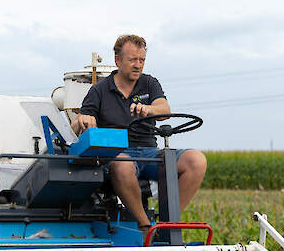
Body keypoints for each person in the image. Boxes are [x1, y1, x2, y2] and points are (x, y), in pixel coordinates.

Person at [71, 35, 207, 230]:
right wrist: (84, 120)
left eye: (141, 60)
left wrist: (149, 109)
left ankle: (167, 225)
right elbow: (80, 122)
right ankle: (145, 227)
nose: (138, 65)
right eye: (132, 59)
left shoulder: (149, 83)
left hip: (149, 153)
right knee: (122, 165)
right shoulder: (100, 90)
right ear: (118, 60)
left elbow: (164, 109)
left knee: (196, 160)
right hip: (118, 154)